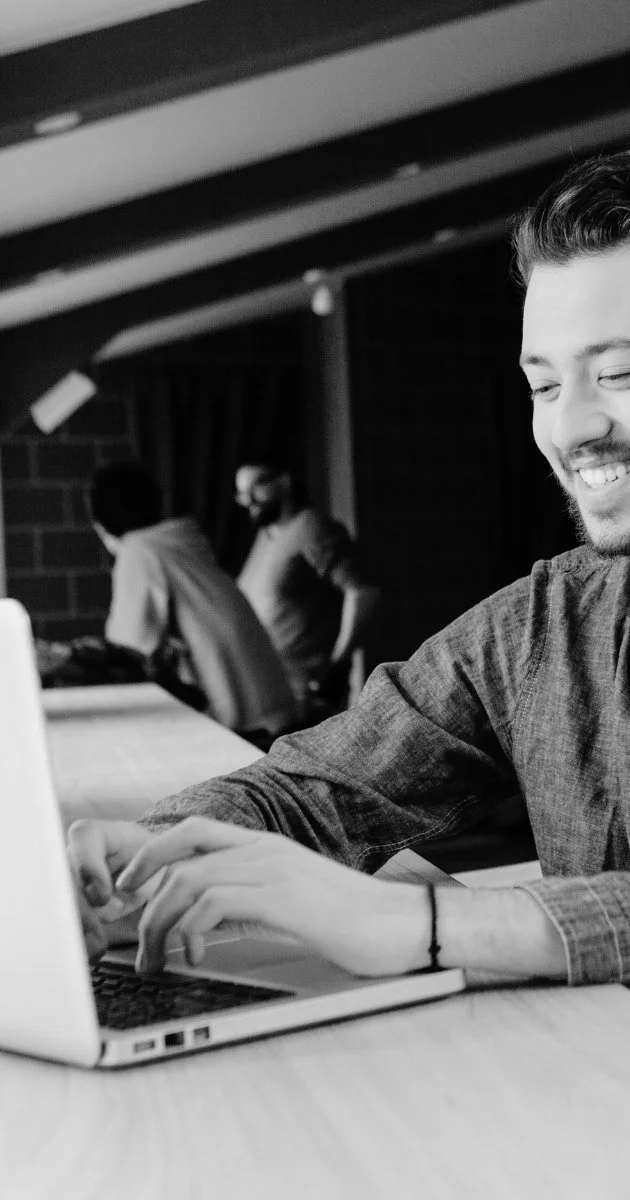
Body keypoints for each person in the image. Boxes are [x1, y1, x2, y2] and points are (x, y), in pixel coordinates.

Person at [70, 149, 630, 987]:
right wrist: (156, 855)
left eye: (620, 372)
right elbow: (318, 786)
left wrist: (433, 925)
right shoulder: (546, 622)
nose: (574, 424)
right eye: (545, 386)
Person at [87, 461, 297, 741]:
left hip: (251, 731)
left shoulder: (140, 550)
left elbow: (124, 655)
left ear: (101, 522)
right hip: (275, 711)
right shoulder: (178, 543)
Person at [235, 460, 380, 718]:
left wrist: (338, 663)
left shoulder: (312, 528)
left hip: (307, 696)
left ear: (285, 481)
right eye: (241, 493)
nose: (248, 500)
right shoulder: (267, 536)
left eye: (255, 487)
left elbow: (363, 590)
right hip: (268, 693)